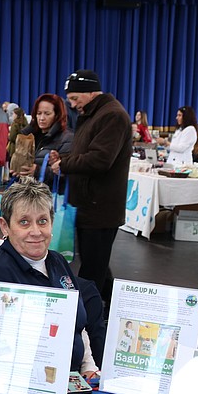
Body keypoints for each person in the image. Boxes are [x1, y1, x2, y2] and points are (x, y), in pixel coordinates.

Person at [0, 178, 94, 379]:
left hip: (71, 381)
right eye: (24, 222)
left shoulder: (58, 262)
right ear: (5, 227)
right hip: (17, 385)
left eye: (42, 221)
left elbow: (77, 326)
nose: (36, 232)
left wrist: (89, 366)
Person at [51, 69, 132, 307]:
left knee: (92, 271)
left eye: (75, 98)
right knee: (96, 265)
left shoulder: (112, 116)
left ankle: (87, 321)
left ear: (91, 92)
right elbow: (86, 152)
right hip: (89, 205)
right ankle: (115, 308)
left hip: (100, 208)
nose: (72, 104)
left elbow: (100, 159)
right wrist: (64, 157)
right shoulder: (94, 114)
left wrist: (64, 164)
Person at [15, 94, 73, 186]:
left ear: (57, 115)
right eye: (39, 113)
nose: (42, 118)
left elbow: (67, 173)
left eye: (47, 114)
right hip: (28, 193)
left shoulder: (67, 138)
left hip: (48, 196)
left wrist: (38, 171)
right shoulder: (28, 136)